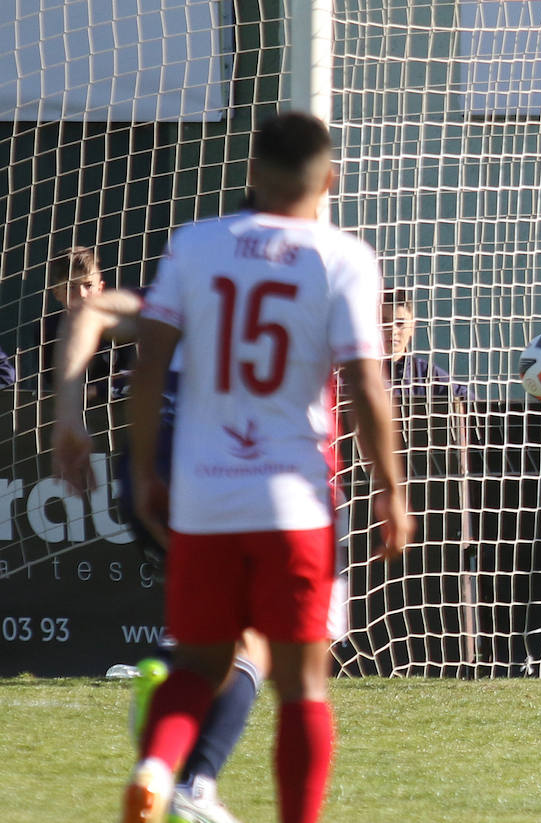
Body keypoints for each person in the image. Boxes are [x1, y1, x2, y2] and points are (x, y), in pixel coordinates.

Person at [119, 112, 410, 823]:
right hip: (294, 501)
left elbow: (150, 365)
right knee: (305, 685)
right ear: (330, 179)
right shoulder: (343, 256)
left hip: (206, 494)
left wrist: (141, 469)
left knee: (197, 665)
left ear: (250, 172)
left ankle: (157, 768)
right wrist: (392, 490)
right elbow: (368, 388)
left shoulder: (194, 245)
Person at [51, 285, 265, 823]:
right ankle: (193, 780)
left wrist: (70, 415)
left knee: (210, 633)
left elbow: (91, 309)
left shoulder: (189, 289)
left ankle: (168, 731)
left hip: (151, 474)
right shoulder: (281, 289)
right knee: (250, 641)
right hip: (225, 476)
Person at [42, 245, 132, 399]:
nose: (82, 294)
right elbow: (53, 382)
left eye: (88, 285)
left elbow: (138, 377)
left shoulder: (120, 325)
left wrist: (97, 391)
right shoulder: (48, 328)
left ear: (100, 288)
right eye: (71, 287)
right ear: (56, 293)